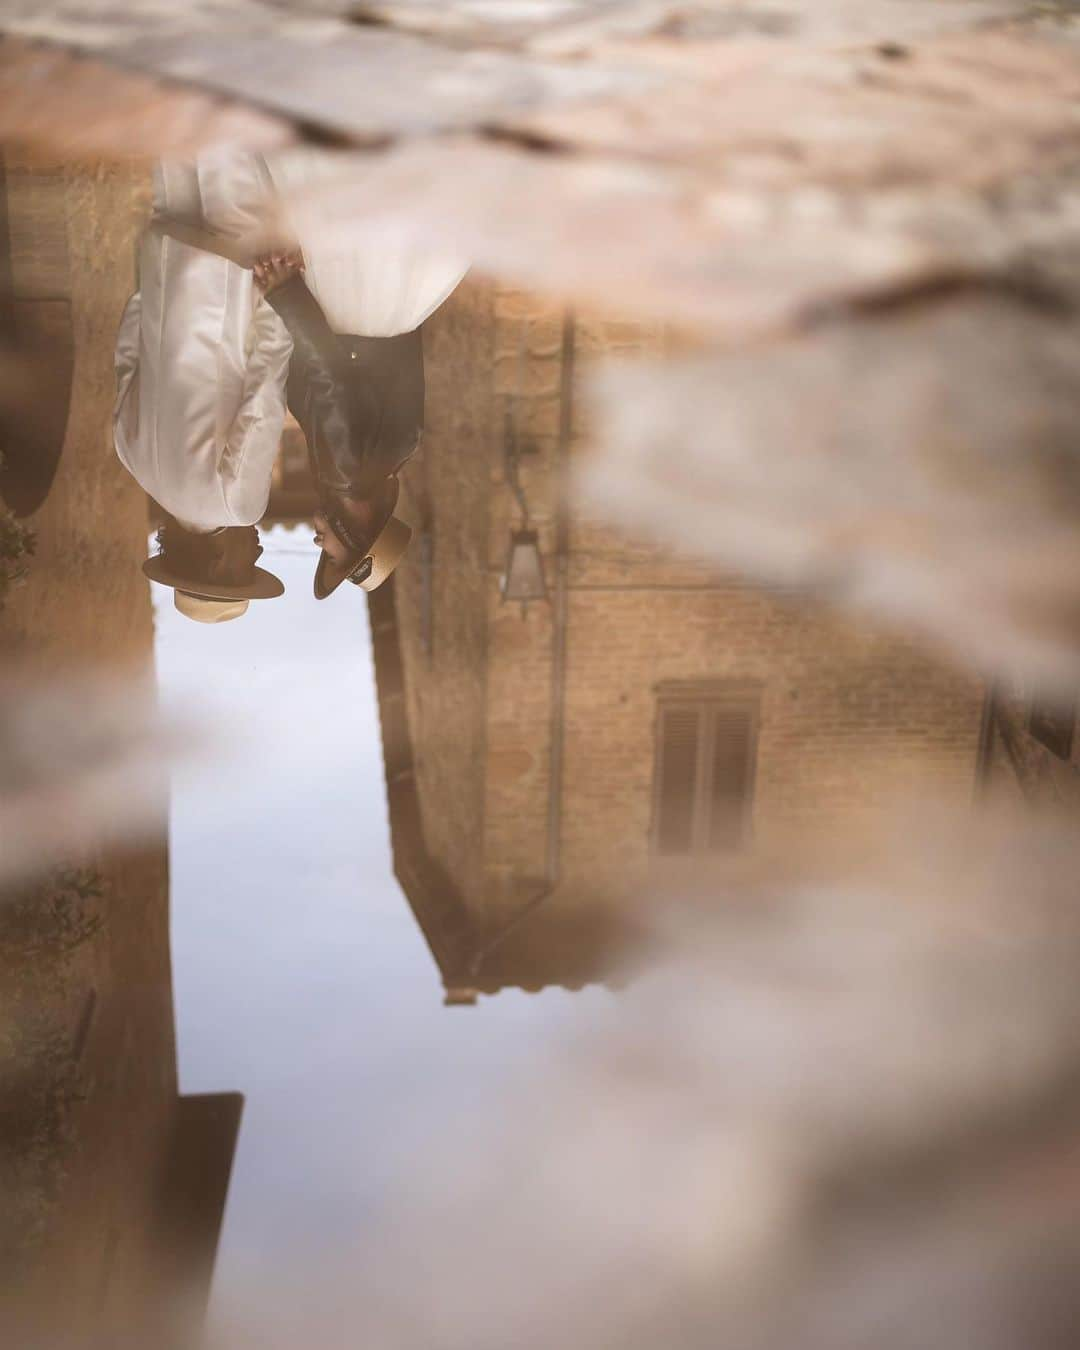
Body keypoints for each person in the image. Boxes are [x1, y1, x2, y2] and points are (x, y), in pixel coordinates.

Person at [113, 156, 292, 623]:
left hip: (235, 280)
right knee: (177, 144)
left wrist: (280, 301)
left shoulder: (237, 506)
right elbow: (128, 353)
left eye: (247, 565)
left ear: (216, 565)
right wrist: (154, 283)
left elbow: (264, 399)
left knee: (230, 144)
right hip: (167, 258)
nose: (257, 551)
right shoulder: (133, 461)